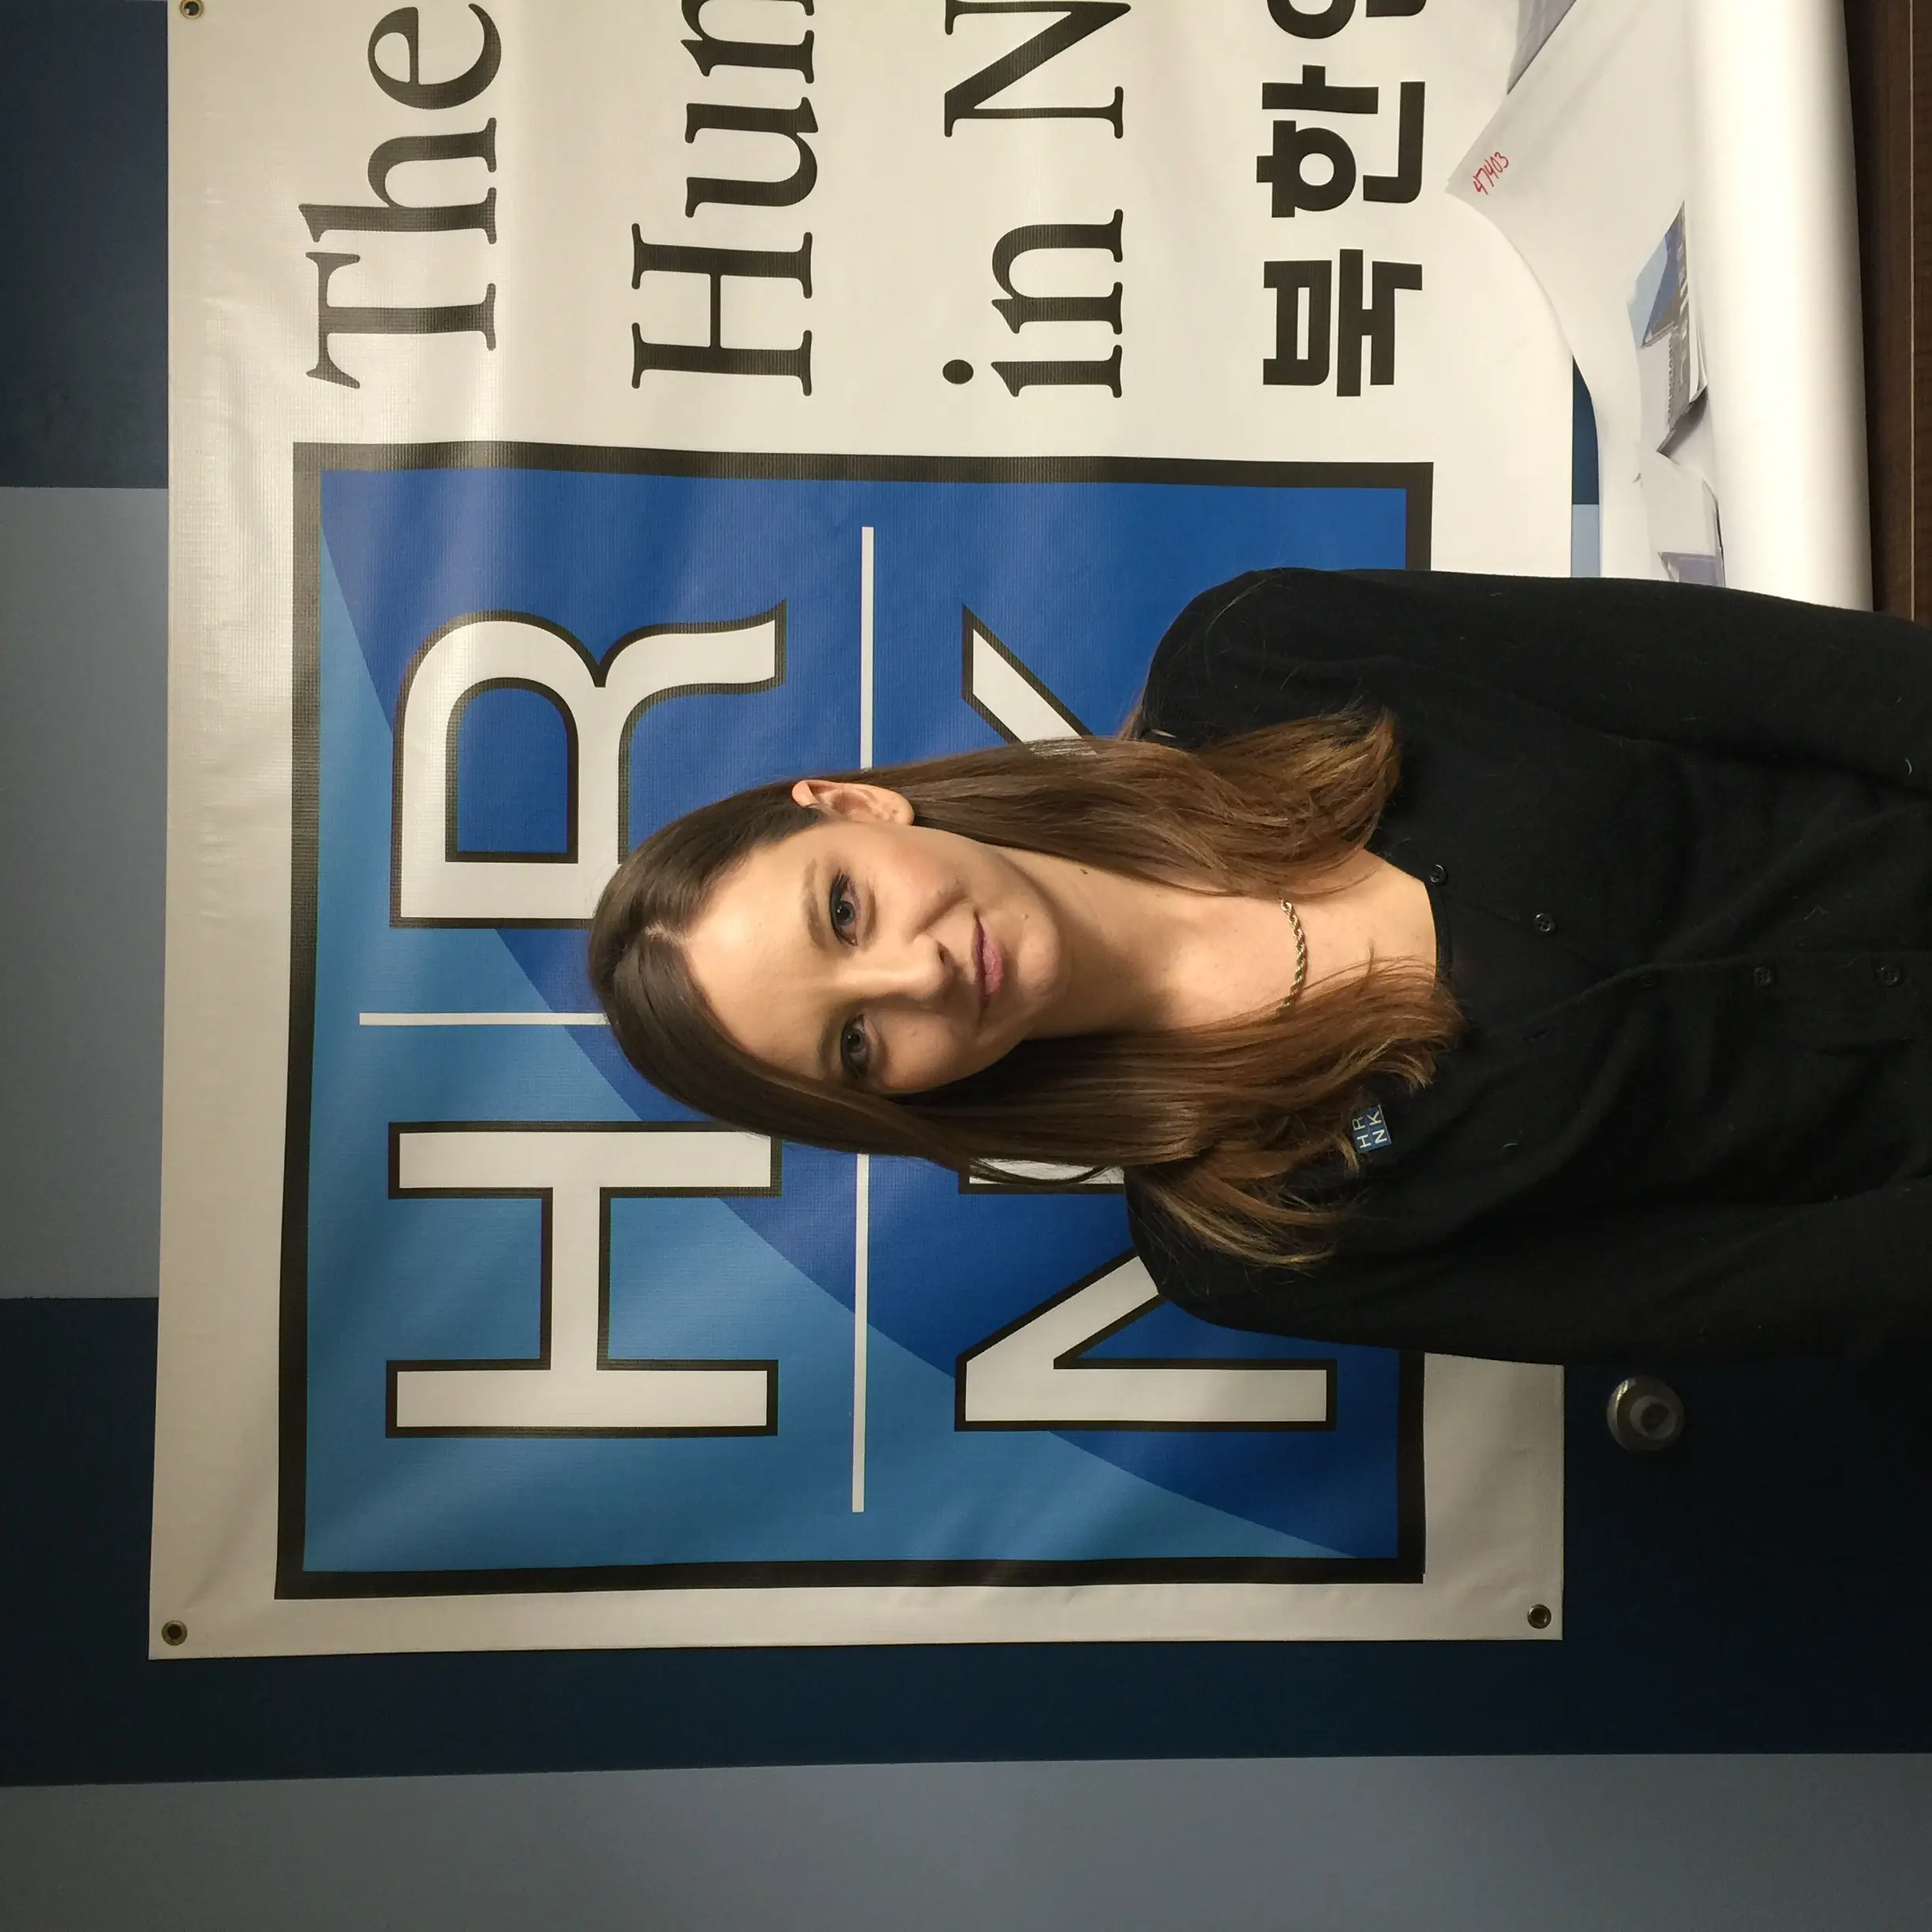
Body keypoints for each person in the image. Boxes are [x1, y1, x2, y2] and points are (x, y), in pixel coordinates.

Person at [590, 567, 1932, 1365]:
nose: (915, 978)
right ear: (890, 1102)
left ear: (856, 807)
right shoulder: (1238, 1243)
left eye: (843, 913)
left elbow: (1775, 675)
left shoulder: (1254, 658)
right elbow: (1758, 1290)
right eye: (857, 1045)